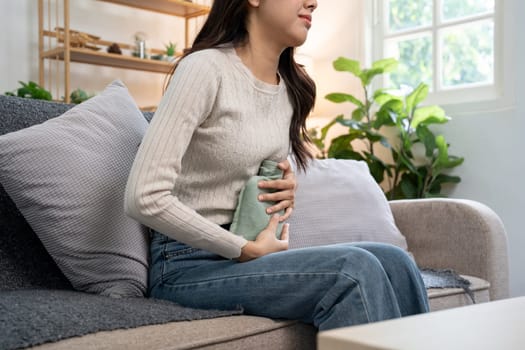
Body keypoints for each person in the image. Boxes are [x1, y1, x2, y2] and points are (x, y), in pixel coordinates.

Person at [125, 0, 429, 331]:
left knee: (396, 262)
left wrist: (282, 194)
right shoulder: (204, 69)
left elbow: (246, 182)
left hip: (251, 255)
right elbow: (143, 196)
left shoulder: (289, 91)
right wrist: (240, 248)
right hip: (186, 266)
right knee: (352, 270)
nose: (314, 2)